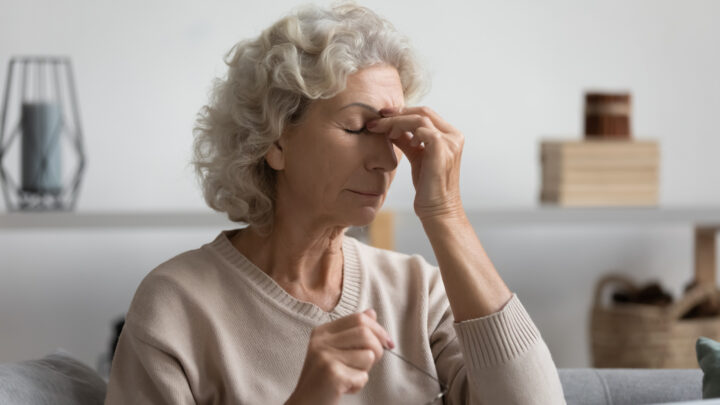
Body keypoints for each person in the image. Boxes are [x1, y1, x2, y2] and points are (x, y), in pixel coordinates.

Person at [105, 1, 566, 404]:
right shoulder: (176, 307)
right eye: (356, 128)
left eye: (394, 133)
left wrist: (447, 216)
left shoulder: (418, 294)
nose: (387, 160)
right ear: (276, 140)